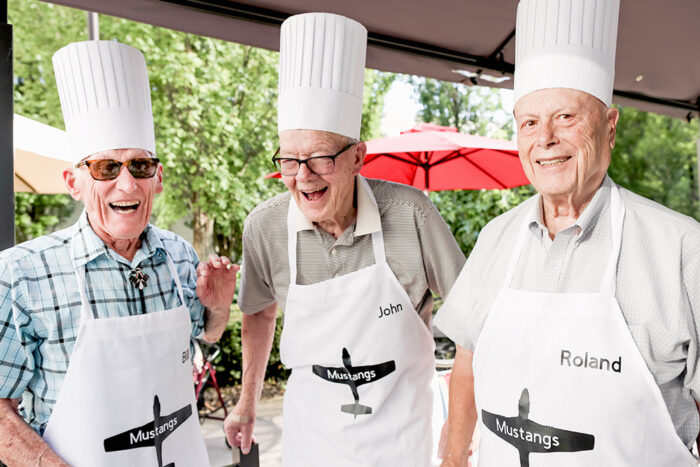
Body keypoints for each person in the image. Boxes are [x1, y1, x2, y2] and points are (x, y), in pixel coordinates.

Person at [435, 0, 700, 465]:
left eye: (566, 117)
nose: (546, 139)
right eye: (529, 123)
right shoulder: (496, 239)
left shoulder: (682, 248)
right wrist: (454, 459)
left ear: (610, 127)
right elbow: (466, 365)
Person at [222, 12, 466, 466]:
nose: (303, 178)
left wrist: (460, 430)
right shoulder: (264, 226)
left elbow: (475, 321)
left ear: (357, 156)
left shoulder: (411, 214)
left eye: (318, 158)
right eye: (290, 161)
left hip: (405, 438)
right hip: (311, 439)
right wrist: (247, 402)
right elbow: (257, 312)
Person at [0, 41, 237, 466]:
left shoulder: (180, 255)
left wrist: (217, 308)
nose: (126, 185)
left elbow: (207, 336)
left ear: (157, 177)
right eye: (106, 168)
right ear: (74, 182)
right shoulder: (20, 274)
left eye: (140, 166)